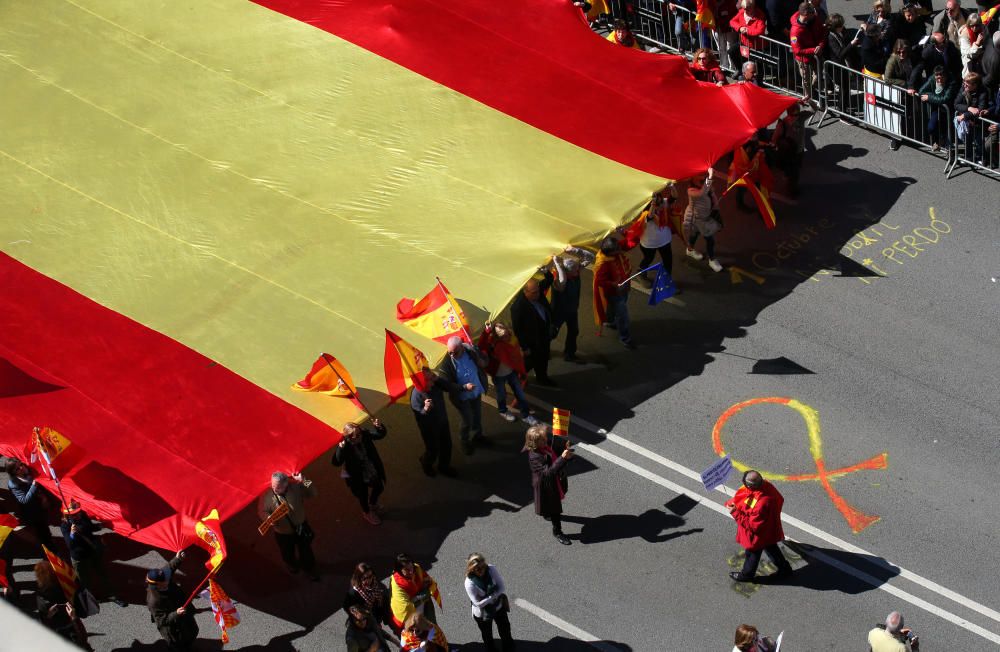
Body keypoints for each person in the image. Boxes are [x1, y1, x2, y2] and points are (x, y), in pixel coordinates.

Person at [725, 470, 794, 582]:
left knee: (753, 554)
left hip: (758, 535)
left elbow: (753, 526)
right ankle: (785, 569)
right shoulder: (767, 486)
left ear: (749, 486)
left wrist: (735, 512)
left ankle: (746, 575)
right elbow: (780, 499)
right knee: (771, 547)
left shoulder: (760, 504)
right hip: (769, 527)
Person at [59, 499, 126, 607]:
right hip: (79, 557)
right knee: (84, 581)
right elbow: (70, 545)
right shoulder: (65, 526)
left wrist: (100, 526)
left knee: (103, 574)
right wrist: (72, 533)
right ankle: (90, 599)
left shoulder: (82, 515)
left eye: (78, 512)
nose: (78, 514)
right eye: (74, 514)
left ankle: (113, 595)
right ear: (67, 515)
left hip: (92, 551)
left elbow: (89, 528)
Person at [257, 470, 318, 579]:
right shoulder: (266, 495)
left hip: (301, 527)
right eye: (273, 486)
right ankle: (292, 565)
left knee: (306, 551)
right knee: (287, 552)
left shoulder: (295, 487)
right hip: (282, 533)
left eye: (279, 488)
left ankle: (309, 568)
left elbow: (313, 493)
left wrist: (304, 480)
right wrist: (268, 518)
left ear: (287, 484)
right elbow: (262, 511)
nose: (275, 490)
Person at [478, 321, 539, 425]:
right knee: (501, 395)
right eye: (503, 336)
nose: (506, 337)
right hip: (498, 375)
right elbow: (481, 346)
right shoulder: (492, 343)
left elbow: (517, 358)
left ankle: (526, 415)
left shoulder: (512, 340)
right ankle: (503, 411)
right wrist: (486, 331)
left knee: (520, 394)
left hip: (512, 373)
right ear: (497, 337)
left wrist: (521, 370)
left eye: (507, 335)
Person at [525, 424, 575, 545]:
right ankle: (557, 531)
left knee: (561, 493)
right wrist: (563, 458)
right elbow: (548, 473)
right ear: (536, 443)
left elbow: (555, 454)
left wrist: (565, 451)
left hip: (556, 480)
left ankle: (547, 512)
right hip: (547, 486)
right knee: (555, 509)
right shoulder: (535, 456)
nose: (546, 439)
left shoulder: (545, 447)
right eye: (543, 439)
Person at [440, 335, 490, 455]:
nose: (452, 355)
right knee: (467, 420)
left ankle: (478, 436)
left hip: (475, 392)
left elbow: (485, 360)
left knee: (477, 415)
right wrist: (463, 387)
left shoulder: (472, 350)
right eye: (450, 352)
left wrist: (483, 362)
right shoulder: (446, 363)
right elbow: (445, 385)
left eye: (455, 352)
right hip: (461, 397)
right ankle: (465, 441)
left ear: (462, 347)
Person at [333, 419, 388, 526]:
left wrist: (379, 426)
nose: (360, 437)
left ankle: (372, 504)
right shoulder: (345, 445)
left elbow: (380, 435)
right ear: (349, 437)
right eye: (356, 436)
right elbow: (336, 462)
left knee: (379, 487)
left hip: (370, 469)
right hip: (357, 476)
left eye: (360, 433)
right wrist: (340, 449)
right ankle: (367, 513)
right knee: (362, 495)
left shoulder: (364, 435)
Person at [146, 552, 199, 652]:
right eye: (163, 583)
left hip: (183, 614)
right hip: (174, 627)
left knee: (193, 631)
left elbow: (170, 567)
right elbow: (162, 621)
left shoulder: (163, 577)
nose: (167, 582)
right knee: (178, 645)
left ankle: (189, 646)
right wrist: (176, 614)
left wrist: (178, 558)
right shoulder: (154, 601)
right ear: (156, 585)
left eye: (166, 579)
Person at [409, 368, 456, 477]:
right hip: (430, 429)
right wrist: (425, 409)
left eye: (432, 377)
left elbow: (448, 387)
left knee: (447, 445)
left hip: (442, 421)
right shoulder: (416, 396)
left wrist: (437, 379)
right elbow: (420, 417)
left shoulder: (435, 383)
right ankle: (426, 463)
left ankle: (444, 467)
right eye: (429, 379)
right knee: (433, 450)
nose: (432, 382)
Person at [593, 234, 638, 348]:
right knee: (623, 316)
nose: (620, 250)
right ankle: (625, 338)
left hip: (623, 288)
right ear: (610, 253)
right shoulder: (604, 264)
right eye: (617, 250)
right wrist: (614, 284)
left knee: (613, 308)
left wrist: (625, 232)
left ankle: (610, 321)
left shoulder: (615, 252)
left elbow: (630, 241)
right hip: (615, 293)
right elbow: (600, 281)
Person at [550, 247, 594, 363]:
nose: (578, 270)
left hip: (572, 310)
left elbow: (590, 257)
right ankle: (541, 352)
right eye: (575, 269)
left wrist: (575, 250)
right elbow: (563, 281)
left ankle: (569, 354)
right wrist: (558, 265)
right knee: (551, 335)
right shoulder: (558, 281)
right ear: (566, 271)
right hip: (558, 313)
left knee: (574, 331)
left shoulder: (574, 272)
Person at [35, 560, 91, 650]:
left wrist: (48, 617)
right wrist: (74, 618)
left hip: (56, 627)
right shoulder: (65, 586)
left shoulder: (41, 596)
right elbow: (83, 638)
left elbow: (44, 630)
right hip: (70, 625)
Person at [510, 277, 556, 386]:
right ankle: (515, 377)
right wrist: (524, 347)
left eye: (538, 291)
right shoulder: (518, 307)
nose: (538, 294)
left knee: (543, 358)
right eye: (534, 293)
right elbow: (518, 329)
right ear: (525, 292)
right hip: (532, 342)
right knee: (529, 362)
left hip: (544, 337)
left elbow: (549, 279)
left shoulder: (537, 294)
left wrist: (546, 272)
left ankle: (542, 378)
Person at [464, 553, 514, 652]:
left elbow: (502, 587)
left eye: (482, 567)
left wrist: (489, 598)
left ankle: (508, 646)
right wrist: (493, 596)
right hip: (482, 613)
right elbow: (478, 604)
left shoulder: (491, 569)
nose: (481, 571)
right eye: (477, 569)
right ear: (471, 569)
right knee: (487, 634)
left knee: (505, 627)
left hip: (498, 605)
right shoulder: (469, 583)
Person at [636, 186, 679, 288]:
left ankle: (666, 280)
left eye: (659, 197)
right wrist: (653, 204)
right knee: (648, 259)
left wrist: (672, 186)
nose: (660, 201)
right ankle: (641, 273)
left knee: (668, 260)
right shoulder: (646, 211)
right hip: (650, 242)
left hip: (664, 240)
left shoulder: (664, 202)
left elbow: (674, 197)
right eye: (656, 199)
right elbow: (650, 216)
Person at [5, 457, 53, 547]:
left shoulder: (26, 472)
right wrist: (34, 485)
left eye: (21, 464)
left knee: (45, 525)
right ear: (13, 473)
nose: (21, 468)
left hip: (39, 506)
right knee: (43, 531)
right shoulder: (14, 484)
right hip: (33, 512)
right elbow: (24, 500)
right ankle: (49, 548)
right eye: (17, 468)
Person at [684, 167, 724, 272]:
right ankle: (712, 260)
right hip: (699, 219)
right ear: (692, 179)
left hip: (703, 217)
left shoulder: (704, 185)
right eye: (699, 175)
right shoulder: (691, 191)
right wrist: (710, 177)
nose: (702, 176)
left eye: (703, 174)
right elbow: (702, 193)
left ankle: (689, 250)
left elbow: (710, 195)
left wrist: (715, 205)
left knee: (694, 234)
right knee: (710, 240)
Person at [389, 553, 442, 631]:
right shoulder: (397, 585)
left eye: (411, 568)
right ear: (399, 570)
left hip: (423, 605)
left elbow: (425, 579)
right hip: (412, 617)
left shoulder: (416, 568)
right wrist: (426, 594)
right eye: (407, 570)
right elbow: (405, 609)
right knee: (422, 635)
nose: (411, 572)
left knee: (433, 627)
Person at [790, 2, 825, 104]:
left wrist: (820, 46)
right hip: (803, 59)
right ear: (806, 14)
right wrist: (813, 50)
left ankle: (811, 93)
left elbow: (822, 33)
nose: (815, 13)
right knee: (806, 79)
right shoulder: (795, 31)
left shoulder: (814, 19)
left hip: (816, 56)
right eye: (812, 12)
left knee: (817, 76)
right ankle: (808, 97)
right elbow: (797, 50)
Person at [918, 65, 960, 149]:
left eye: (941, 78)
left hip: (950, 109)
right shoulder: (932, 79)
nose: (939, 80)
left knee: (949, 132)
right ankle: (938, 140)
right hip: (937, 109)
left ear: (946, 76)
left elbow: (944, 99)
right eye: (937, 78)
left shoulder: (952, 82)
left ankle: (949, 151)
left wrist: (929, 97)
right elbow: (921, 91)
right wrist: (932, 96)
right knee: (931, 128)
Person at [771, 103, 808, 195]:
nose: (795, 117)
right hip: (789, 154)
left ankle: (790, 183)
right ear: (788, 114)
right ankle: (792, 191)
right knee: (793, 173)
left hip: (799, 151)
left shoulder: (801, 119)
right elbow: (774, 138)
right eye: (793, 115)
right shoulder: (782, 124)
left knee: (796, 170)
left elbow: (814, 108)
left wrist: (808, 100)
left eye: (797, 114)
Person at [344, 562, 393, 629]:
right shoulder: (354, 592)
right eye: (364, 578)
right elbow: (347, 606)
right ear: (359, 578)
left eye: (370, 576)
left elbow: (383, 599)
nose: (369, 580)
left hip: (376, 616)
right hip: (365, 622)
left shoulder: (375, 583)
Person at [954, 71, 989, 159]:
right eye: (964, 83)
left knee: (978, 141)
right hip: (968, 120)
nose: (964, 85)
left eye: (967, 84)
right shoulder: (963, 88)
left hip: (978, 121)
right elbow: (956, 104)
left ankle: (981, 158)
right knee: (967, 139)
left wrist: (965, 116)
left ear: (975, 85)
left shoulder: (983, 92)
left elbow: (979, 109)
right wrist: (968, 108)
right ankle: (968, 157)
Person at [730, 0, 767, 64]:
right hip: (744, 43)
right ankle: (740, 70)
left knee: (755, 66)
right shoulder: (742, 12)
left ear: (752, 8)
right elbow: (732, 21)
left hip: (756, 46)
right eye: (744, 9)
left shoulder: (760, 15)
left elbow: (760, 30)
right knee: (731, 52)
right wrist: (740, 28)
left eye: (747, 9)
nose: (745, 11)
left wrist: (747, 31)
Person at [958, 11, 985, 76]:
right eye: (972, 26)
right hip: (970, 67)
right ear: (968, 24)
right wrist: (977, 44)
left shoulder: (982, 30)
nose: (975, 28)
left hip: (981, 65)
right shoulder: (964, 35)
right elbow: (968, 54)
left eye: (977, 25)